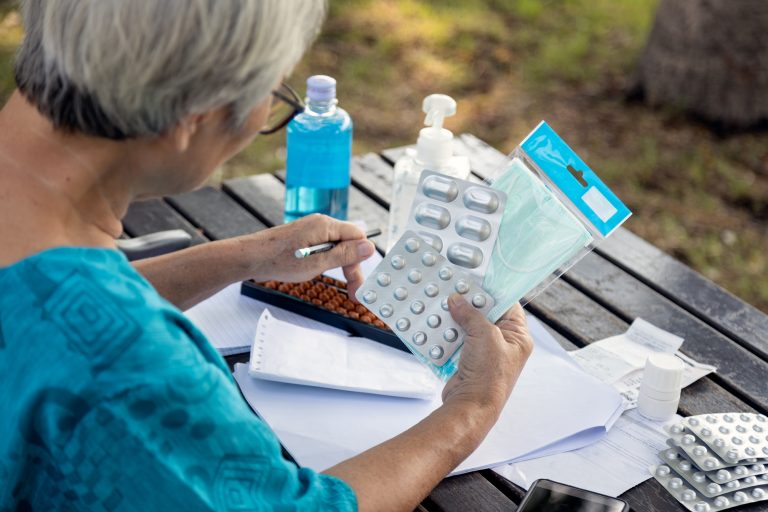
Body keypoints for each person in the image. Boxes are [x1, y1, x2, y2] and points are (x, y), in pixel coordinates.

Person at [0, 1, 534, 510]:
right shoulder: (130, 366)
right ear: (195, 114)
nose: (264, 117)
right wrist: (472, 408)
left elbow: (42, 302)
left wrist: (247, 257)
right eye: (274, 95)